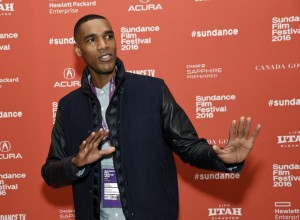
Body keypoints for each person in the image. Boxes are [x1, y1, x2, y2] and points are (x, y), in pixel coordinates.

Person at [41, 14, 261, 220]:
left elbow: (188, 146)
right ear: (78, 50)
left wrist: (222, 159)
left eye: (108, 36)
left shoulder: (153, 91)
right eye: (91, 39)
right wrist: (76, 163)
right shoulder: (69, 106)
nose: (103, 45)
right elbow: (51, 173)